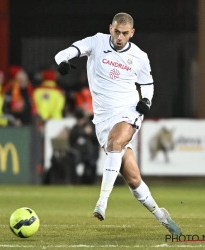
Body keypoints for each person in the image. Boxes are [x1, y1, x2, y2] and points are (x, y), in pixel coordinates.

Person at [54, 13, 181, 235]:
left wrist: (146, 101)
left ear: (131, 33)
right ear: (110, 28)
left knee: (115, 142)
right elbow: (65, 52)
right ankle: (161, 214)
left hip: (128, 111)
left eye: (124, 33)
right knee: (132, 177)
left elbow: (147, 84)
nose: (119, 37)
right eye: (116, 32)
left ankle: (102, 202)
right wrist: (63, 62)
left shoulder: (140, 56)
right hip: (103, 118)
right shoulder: (97, 42)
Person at [68, 108, 99, 185]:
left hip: (90, 154)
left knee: (91, 165)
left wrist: (90, 133)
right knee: (71, 161)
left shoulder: (90, 126)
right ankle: (73, 182)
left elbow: (97, 139)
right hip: (78, 153)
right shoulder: (75, 128)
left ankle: (91, 182)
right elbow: (71, 141)